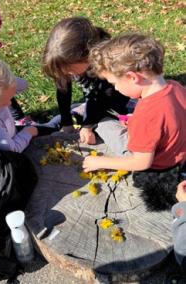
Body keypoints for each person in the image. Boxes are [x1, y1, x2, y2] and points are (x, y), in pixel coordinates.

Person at [83, 33, 186, 210]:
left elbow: (141, 162)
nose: (115, 88)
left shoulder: (146, 115)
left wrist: (100, 162)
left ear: (133, 77)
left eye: (114, 82)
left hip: (159, 168)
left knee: (105, 125)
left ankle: (101, 124)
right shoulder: (175, 87)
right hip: (179, 154)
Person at [42, 17, 131, 151]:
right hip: (92, 102)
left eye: (71, 71)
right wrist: (66, 122)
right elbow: (63, 90)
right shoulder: (66, 61)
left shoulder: (107, 64)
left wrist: (88, 125)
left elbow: (104, 97)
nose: (69, 74)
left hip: (117, 105)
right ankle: (39, 130)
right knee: (59, 120)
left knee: (108, 128)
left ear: (88, 54)